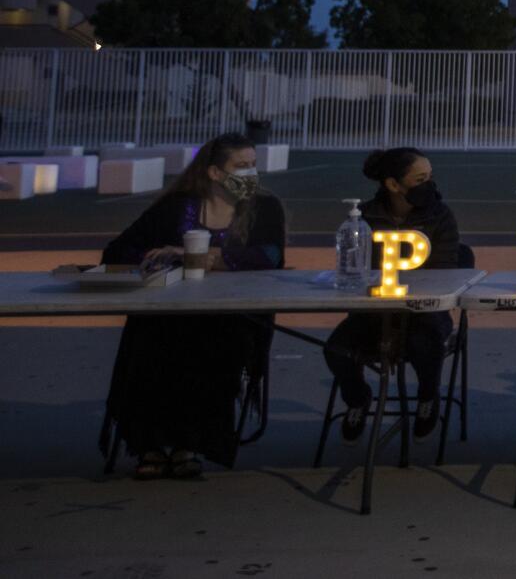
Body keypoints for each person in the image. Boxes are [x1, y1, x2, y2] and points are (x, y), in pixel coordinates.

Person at [101, 133, 286, 480]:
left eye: (253, 165)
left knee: (215, 348)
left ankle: (191, 443)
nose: (249, 173)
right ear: (214, 173)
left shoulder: (265, 208)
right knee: (150, 346)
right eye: (240, 166)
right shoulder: (176, 208)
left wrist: (214, 257)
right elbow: (117, 251)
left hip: (231, 313)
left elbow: (271, 255)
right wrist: (159, 254)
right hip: (170, 310)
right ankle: (149, 444)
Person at [323, 148, 461, 443]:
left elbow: (446, 272)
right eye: (420, 178)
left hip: (424, 313)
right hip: (373, 313)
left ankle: (428, 395)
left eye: (430, 177)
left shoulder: (441, 216)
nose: (429, 184)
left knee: (424, 343)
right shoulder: (364, 218)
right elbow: (355, 269)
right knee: (336, 350)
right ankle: (358, 398)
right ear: (393, 185)